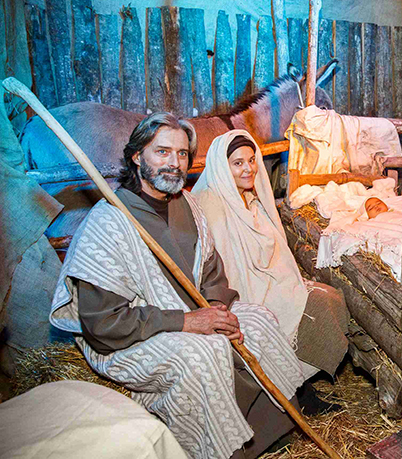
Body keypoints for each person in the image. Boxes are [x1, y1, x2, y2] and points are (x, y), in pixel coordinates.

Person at [50, 113, 305, 459]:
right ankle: (219, 450)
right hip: (132, 335)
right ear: (137, 157)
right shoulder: (109, 224)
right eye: (162, 152)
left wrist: (217, 309)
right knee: (204, 355)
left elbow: (212, 271)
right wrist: (186, 322)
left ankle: (272, 430)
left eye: (182, 154)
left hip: (194, 314)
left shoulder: (189, 205)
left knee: (259, 321)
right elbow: (104, 322)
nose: (174, 163)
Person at [192, 131, 349, 397]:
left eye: (252, 160)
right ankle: (293, 389)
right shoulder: (212, 203)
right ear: (221, 167)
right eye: (238, 163)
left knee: (330, 296)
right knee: (317, 305)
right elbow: (224, 265)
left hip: (270, 280)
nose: (248, 169)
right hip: (242, 290)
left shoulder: (249, 199)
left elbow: (273, 251)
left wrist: (284, 280)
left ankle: (299, 382)